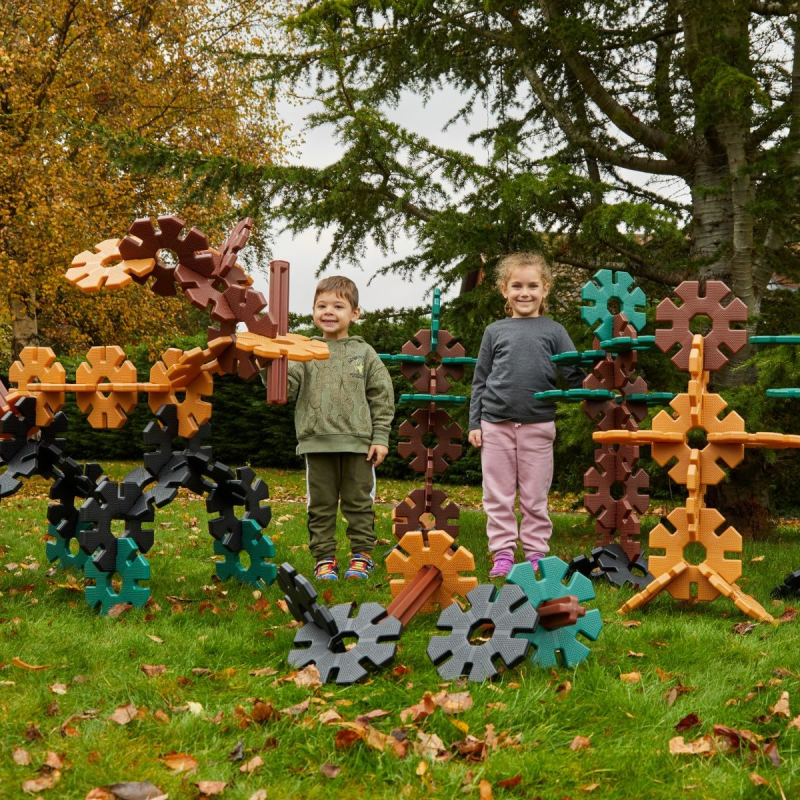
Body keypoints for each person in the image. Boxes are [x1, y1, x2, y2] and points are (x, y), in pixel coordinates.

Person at [468, 252, 585, 578]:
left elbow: (574, 374)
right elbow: (480, 379)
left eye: (532, 286)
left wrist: (596, 393)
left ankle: (535, 554)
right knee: (498, 495)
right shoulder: (495, 331)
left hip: (538, 425)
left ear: (545, 289)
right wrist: (474, 422)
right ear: (504, 290)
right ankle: (503, 553)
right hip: (495, 424)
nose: (524, 292)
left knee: (535, 496)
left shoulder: (555, 331)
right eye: (517, 286)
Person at [282, 275, 395, 580]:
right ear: (313, 311)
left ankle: (362, 555)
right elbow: (284, 389)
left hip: (359, 445)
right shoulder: (304, 351)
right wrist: (269, 363)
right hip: (316, 442)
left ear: (354, 313)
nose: (329, 311)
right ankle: (324, 558)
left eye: (338, 306)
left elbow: (382, 396)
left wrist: (380, 437)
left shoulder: (365, 353)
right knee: (321, 505)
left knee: (359, 503)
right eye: (322, 306)